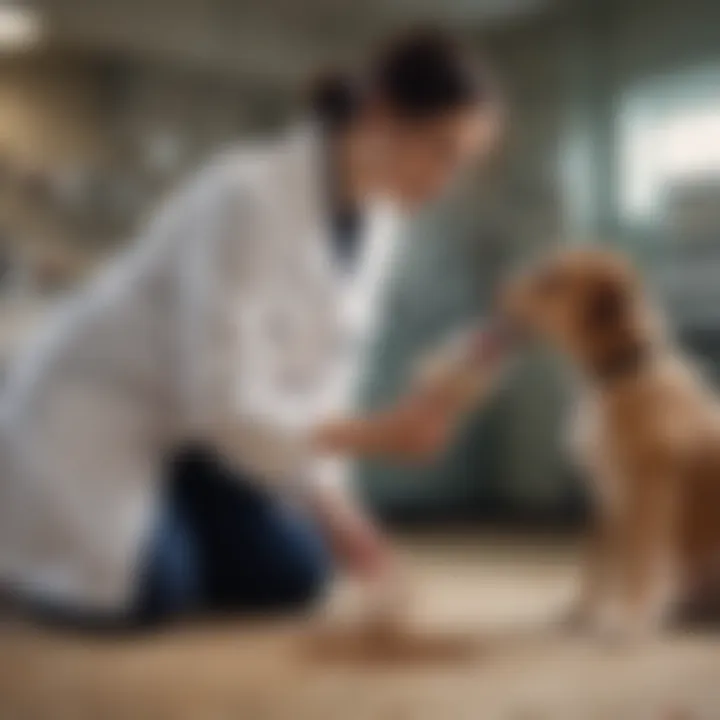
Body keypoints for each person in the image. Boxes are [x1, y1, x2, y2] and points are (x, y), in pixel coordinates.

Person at [0, 28, 503, 629]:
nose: (444, 182)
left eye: (462, 163)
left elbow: (326, 384)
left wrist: (344, 516)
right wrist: (377, 436)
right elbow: (221, 400)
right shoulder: (247, 194)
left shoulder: (382, 224)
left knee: (296, 574)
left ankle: (167, 515)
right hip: (97, 406)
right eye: (441, 150)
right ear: (380, 115)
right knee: (142, 592)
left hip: (197, 441)